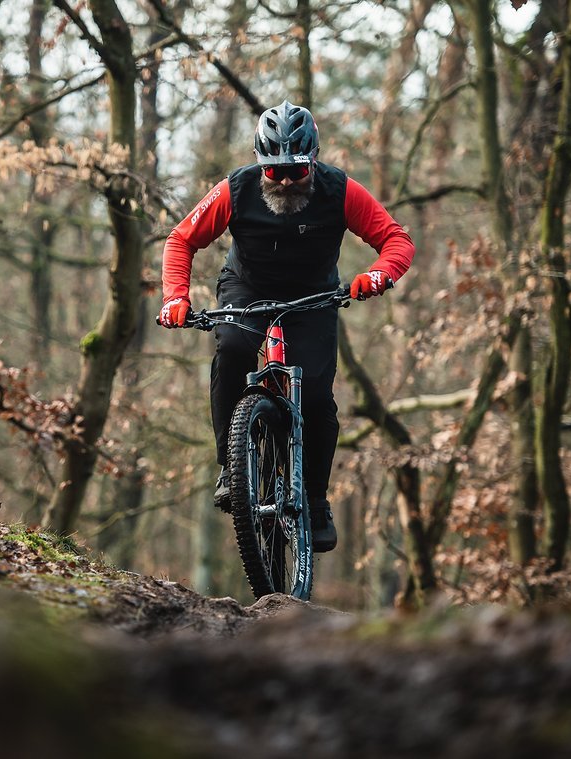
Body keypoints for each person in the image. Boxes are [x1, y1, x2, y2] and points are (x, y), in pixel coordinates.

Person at [158, 101, 414, 552]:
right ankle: (230, 466)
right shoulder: (234, 190)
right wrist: (176, 297)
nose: (285, 180)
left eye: (296, 171)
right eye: (274, 172)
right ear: (260, 164)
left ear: (312, 161)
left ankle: (315, 500)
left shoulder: (340, 190)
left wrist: (379, 275)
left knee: (315, 397)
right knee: (234, 349)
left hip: (314, 297)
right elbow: (181, 239)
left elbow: (396, 240)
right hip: (247, 289)